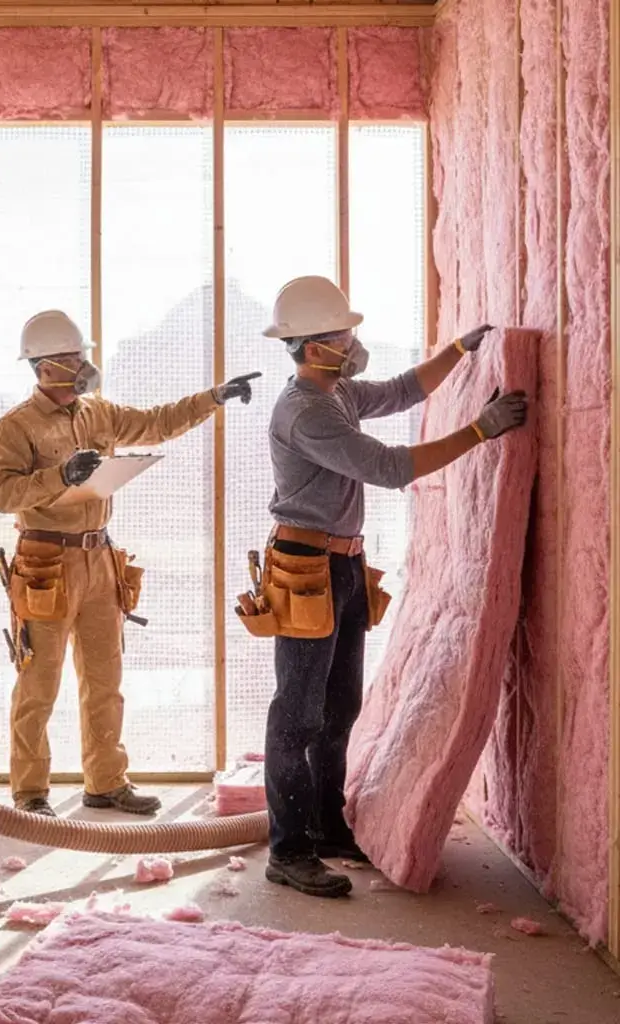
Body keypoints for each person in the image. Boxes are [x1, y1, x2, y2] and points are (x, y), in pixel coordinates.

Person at [261, 275, 527, 898]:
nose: (353, 341)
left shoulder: (340, 390)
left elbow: (404, 390)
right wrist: (481, 431)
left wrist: (458, 350)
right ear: (311, 346)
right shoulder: (304, 411)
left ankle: (326, 827)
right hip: (305, 568)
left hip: (344, 567)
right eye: (341, 335)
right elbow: (387, 468)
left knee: (338, 708)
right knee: (296, 715)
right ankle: (289, 850)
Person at [0, 310, 259, 817]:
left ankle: (106, 783)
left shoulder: (98, 413)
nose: (82, 366)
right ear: (42, 367)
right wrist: (60, 475)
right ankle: (30, 794)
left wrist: (213, 398)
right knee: (38, 684)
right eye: (71, 359)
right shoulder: (15, 427)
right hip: (45, 561)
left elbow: (156, 423)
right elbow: (3, 494)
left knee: (105, 681)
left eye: (81, 356)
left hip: (99, 560)